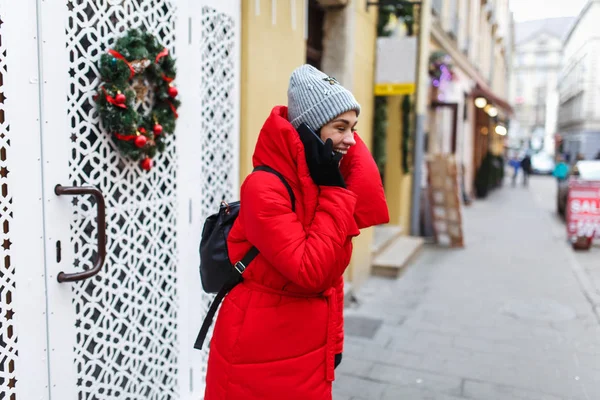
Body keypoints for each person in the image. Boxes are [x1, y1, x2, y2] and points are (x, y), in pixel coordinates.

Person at [203, 65, 389, 400]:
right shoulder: (264, 187)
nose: (352, 139)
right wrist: (334, 189)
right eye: (341, 127)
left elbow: (332, 280)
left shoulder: (320, 180)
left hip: (307, 351)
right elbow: (311, 271)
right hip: (258, 354)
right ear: (310, 129)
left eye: (354, 128)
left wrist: (333, 344)